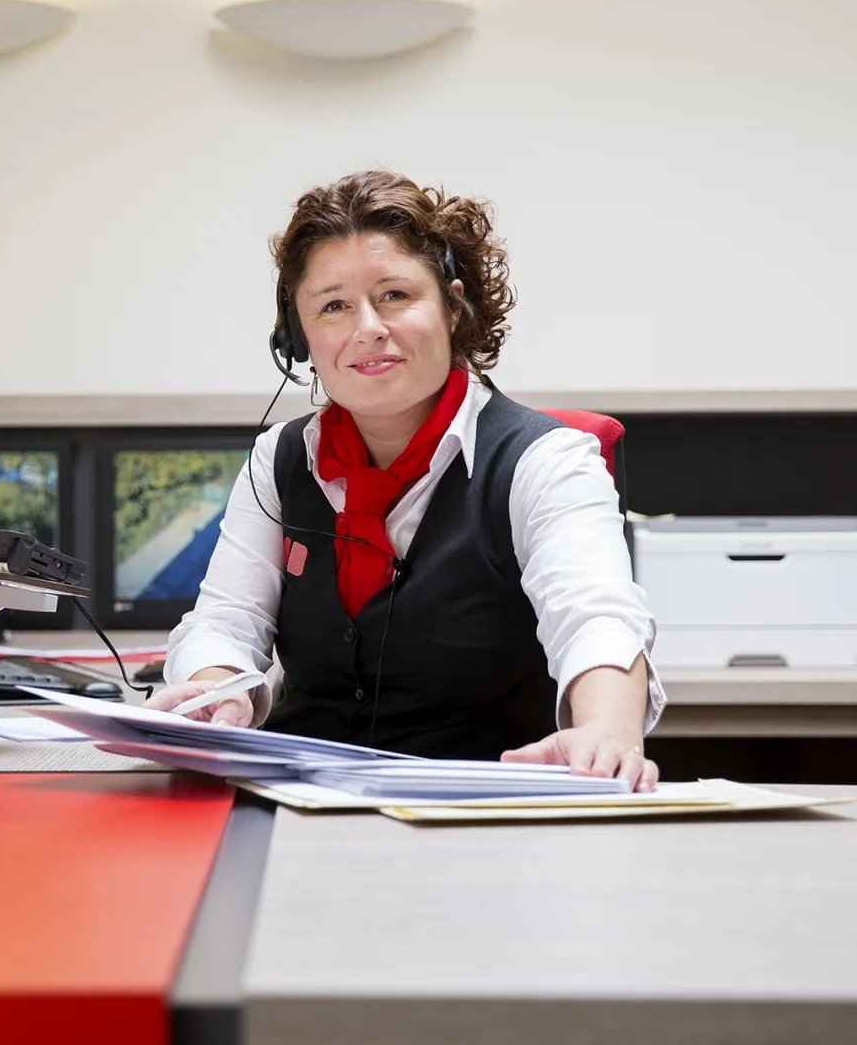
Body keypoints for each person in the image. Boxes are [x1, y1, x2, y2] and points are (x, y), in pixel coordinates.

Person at [148, 171, 664, 790]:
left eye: (395, 294)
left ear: (452, 306)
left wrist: (607, 731)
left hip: (483, 812)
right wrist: (214, 692)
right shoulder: (279, 460)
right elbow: (226, 620)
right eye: (333, 305)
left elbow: (595, 616)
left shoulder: (546, 459)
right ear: (299, 337)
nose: (367, 327)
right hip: (296, 804)